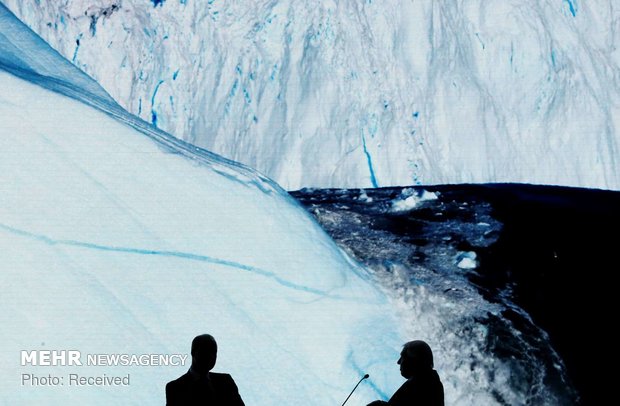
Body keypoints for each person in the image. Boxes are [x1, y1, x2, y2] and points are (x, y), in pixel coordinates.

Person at [166, 334, 245, 405]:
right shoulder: (175, 388)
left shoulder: (226, 381)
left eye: (213, 352)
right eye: (205, 351)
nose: (211, 356)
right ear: (193, 352)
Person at [367, 340, 444, 406]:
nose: (398, 362)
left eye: (402, 357)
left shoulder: (420, 384)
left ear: (414, 359)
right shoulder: (430, 382)